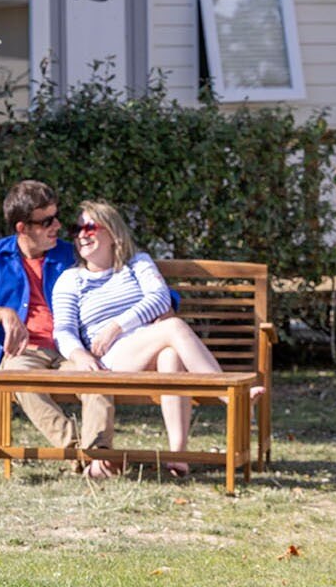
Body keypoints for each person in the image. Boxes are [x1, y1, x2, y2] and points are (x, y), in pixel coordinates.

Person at [52, 200, 222, 478]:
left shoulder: (137, 263)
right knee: (174, 327)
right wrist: (80, 355)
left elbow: (160, 298)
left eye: (90, 227)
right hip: (111, 360)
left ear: (113, 232)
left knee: (171, 355)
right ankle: (229, 394)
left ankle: (178, 456)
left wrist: (116, 325)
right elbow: (63, 330)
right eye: (77, 229)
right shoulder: (71, 280)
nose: (82, 234)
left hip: (147, 351)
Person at [0, 179, 111, 465]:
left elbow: (118, 269)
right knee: (17, 378)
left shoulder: (69, 253)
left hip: (70, 347)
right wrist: (2, 313)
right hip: (23, 352)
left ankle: (101, 458)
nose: (57, 226)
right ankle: (80, 454)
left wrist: (163, 303)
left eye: (57, 217)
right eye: (47, 221)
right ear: (22, 228)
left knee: (97, 378)